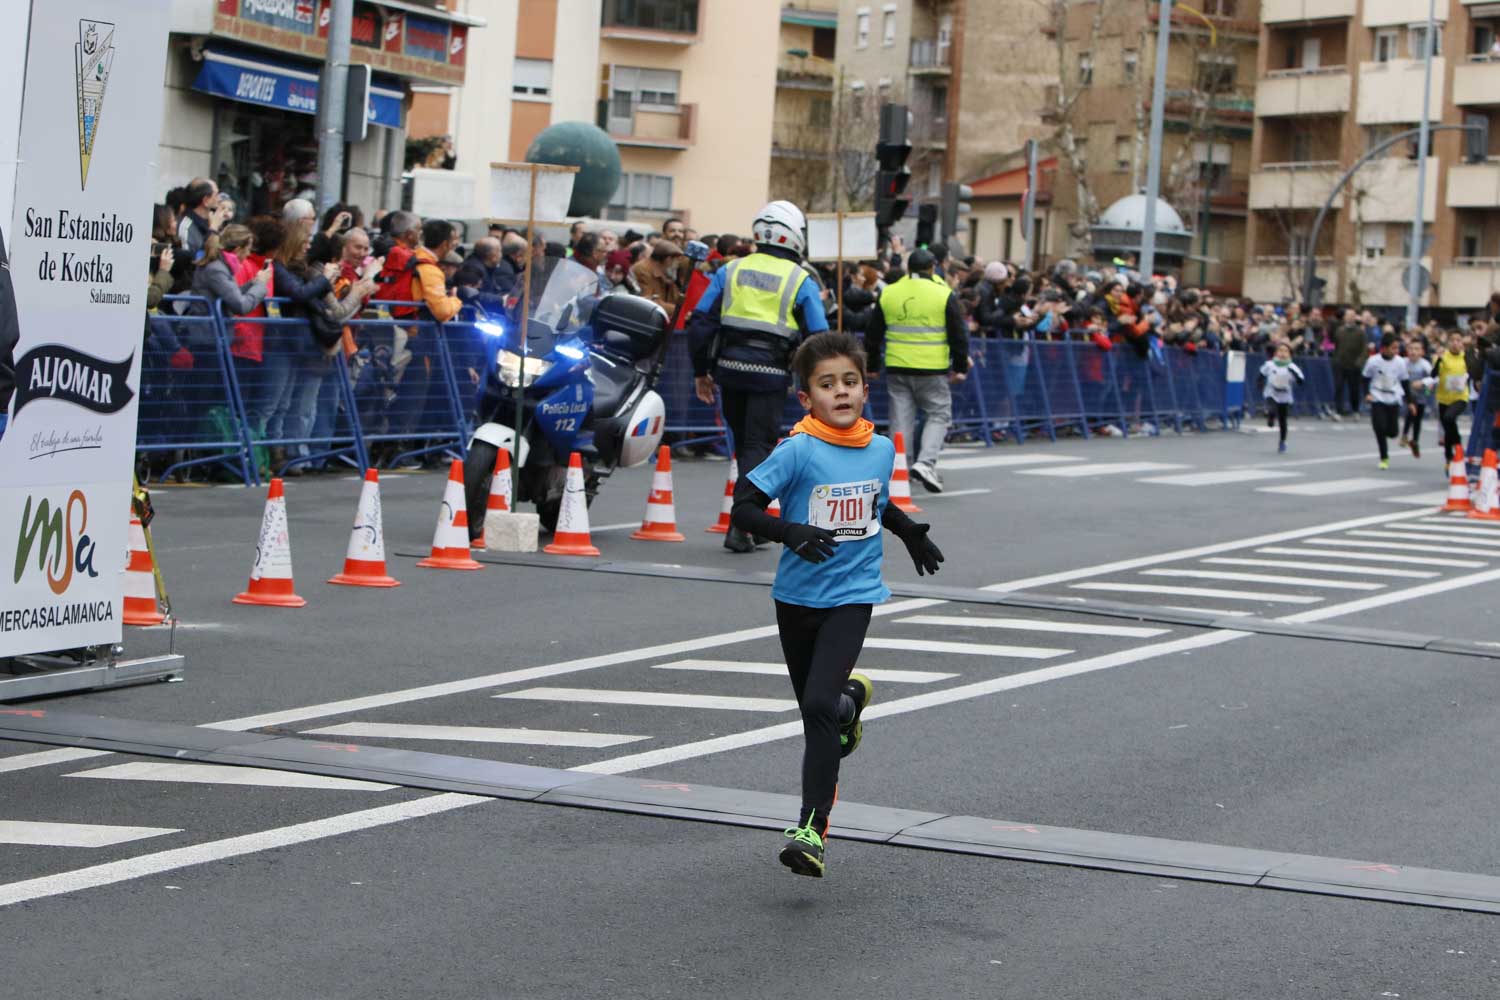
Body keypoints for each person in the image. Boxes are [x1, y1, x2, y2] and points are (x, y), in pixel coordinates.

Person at [728, 332, 945, 878]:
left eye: (850, 382)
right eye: (827, 385)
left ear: (865, 388)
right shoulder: (797, 449)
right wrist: (791, 531)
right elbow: (745, 509)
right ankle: (851, 703)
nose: (840, 392)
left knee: (816, 708)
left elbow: (875, 499)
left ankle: (811, 829)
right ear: (806, 398)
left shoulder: (879, 447)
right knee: (819, 709)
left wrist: (908, 532)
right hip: (797, 598)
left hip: (854, 596)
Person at [687, 200, 830, 554]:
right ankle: (742, 525)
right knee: (757, 448)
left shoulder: (729, 270)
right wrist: (818, 382)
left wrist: (701, 371)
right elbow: (819, 335)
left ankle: (754, 523)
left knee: (744, 448)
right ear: (795, 235)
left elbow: (701, 322)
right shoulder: (801, 279)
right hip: (770, 374)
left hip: (729, 371)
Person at [863, 247, 970, 493]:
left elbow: (873, 333)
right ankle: (926, 463)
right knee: (939, 413)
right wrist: (960, 365)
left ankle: (898, 468)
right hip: (931, 368)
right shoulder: (943, 293)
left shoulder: (889, 292)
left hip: (897, 366)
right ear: (933, 268)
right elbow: (958, 335)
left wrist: (871, 365)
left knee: (900, 419)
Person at [1364, 332, 1410, 470]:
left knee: (1392, 432)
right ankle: (1384, 457)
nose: (1396, 351)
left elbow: (1405, 382)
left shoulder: (1400, 362)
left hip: (1393, 398)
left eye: (1397, 348)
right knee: (1379, 428)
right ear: (1383, 348)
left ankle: (1390, 433)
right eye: (1393, 348)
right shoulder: (1373, 361)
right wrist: (1366, 393)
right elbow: (1364, 377)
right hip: (1377, 396)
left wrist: (1410, 401)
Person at [1259, 342, 1304, 454]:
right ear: (1275, 353)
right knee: (1272, 406)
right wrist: (1259, 385)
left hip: (1285, 394)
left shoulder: (1292, 366)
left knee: (1283, 419)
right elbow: (1261, 375)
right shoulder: (1269, 364)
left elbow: (1301, 381)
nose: (1282, 353)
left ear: (1289, 354)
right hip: (1271, 392)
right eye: (1280, 350)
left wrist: (1293, 373)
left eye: (1285, 351)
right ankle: (1271, 416)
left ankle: (1282, 441)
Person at [1434, 328, 1470, 464]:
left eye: (1458, 340)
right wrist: (1439, 360)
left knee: (1449, 418)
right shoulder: (1442, 356)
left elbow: (1472, 372)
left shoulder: (1466, 357)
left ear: (1462, 343)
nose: (1455, 343)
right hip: (1444, 398)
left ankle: (1458, 443)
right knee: (1447, 425)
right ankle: (1449, 457)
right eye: (1452, 340)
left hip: (1461, 397)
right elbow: (1434, 374)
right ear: (1448, 342)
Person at [1400, 338, 1434, 458]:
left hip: (1421, 394)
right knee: (1411, 410)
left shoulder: (1425, 364)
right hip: (1407, 394)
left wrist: (1424, 384)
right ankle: (1404, 435)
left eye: (1416, 349)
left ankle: (1415, 440)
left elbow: (1433, 378)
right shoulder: (1403, 362)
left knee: (1417, 418)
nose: (1413, 352)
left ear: (1422, 352)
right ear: (1406, 350)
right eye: (1411, 349)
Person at [1331, 308, 1367, 417]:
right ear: (1345, 317)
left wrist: (1359, 362)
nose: (1350, 317)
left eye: (1352, 315)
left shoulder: (1360, 332)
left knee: (1354, 389)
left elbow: (1364, 349)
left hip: (1354, 365)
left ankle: (1355, 409)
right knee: (1339, 387)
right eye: (1348, 315)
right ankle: (1338, 410)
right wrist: (1336, 360)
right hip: (1340, 364)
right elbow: (1336, 346)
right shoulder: (1339, 331)